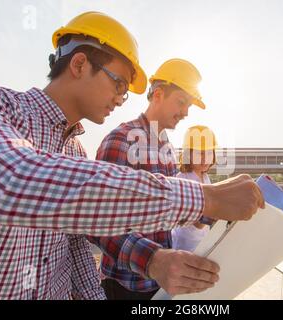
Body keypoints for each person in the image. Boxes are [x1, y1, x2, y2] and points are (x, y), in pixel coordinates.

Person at [0, 11, 265, 300]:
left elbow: (76, 246)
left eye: (126, 91)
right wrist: (204, 199)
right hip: (126, 284)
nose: (121, 98)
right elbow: (9, 182)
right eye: (118, 83)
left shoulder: (77, 153)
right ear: (78, 64)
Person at [88, 59, 218, 299]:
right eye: (181, 102)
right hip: (127, 285)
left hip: (159, 281)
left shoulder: (167, 148)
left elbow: (168, 210)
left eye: (189, 106)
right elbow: (99, 222)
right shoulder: (122, 140)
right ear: (158, 94)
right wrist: (153, 261)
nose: (186, 112)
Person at [171, 125, 218, 252]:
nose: (205, 158)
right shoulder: (182, 179)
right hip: (185, 245)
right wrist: (216, 210)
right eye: (199, 153)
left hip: (203, 242)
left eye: (209, 152)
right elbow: (190, 218)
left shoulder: (206, 178)